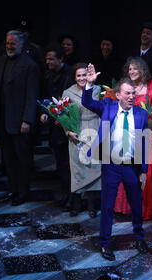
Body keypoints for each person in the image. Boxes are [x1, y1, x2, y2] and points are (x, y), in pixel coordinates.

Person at [82, 65, 149, 261]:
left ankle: (139, 237)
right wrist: (90, 83)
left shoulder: (141, 114)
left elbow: (144, 142)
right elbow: (87, 101)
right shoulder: (107, 107)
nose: (131, 97)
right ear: (118, 95)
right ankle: (104, 243)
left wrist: (144, 170)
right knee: (108, 206)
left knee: (136, 205)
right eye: (127, 93)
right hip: (111, 166)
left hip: (131, 167)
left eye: (133, 94)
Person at [0, 30, 40, 207]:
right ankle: (12, 189)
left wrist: (27, 120)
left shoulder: (30, 66)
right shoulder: (1, 60)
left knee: (22, 158)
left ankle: (23, 192)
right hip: (2, 118)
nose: (9, 46)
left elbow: (32, 96)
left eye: (13, 43)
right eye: (8, 43)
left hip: (20, 120)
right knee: (8, 157)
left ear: (21, 44)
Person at [114, 57, 152, 220]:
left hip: (147, 135)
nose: (132, 72)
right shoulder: (126, 87)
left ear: (142, 70)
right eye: (129, 69)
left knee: (147, 174)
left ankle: (146, 208)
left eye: (135, 69)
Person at [62, 63, 102, 219]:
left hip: (94, 129)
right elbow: (63, 114)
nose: (81, 78)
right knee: (77, 170)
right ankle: (76, 205)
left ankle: (92, 206)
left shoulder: (97, 90)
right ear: (74, 77)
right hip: (76, 132)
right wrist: (68, 131)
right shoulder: (68, 92)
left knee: (94, 168)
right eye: (78, 75)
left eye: (84, 75)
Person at [40, 44, 73, 210]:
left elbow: (72, 100)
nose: (48, 62)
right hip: (55, 127)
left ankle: (72, 198)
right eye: (46, 59)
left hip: (68, 126)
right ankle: (65, 194)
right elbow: (46, 98)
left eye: (51, 59)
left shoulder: (70, 75)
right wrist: (45, 112)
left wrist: (63, 117)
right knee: (61, 164)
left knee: (69, 164)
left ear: (60, 59)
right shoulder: (47, 76)